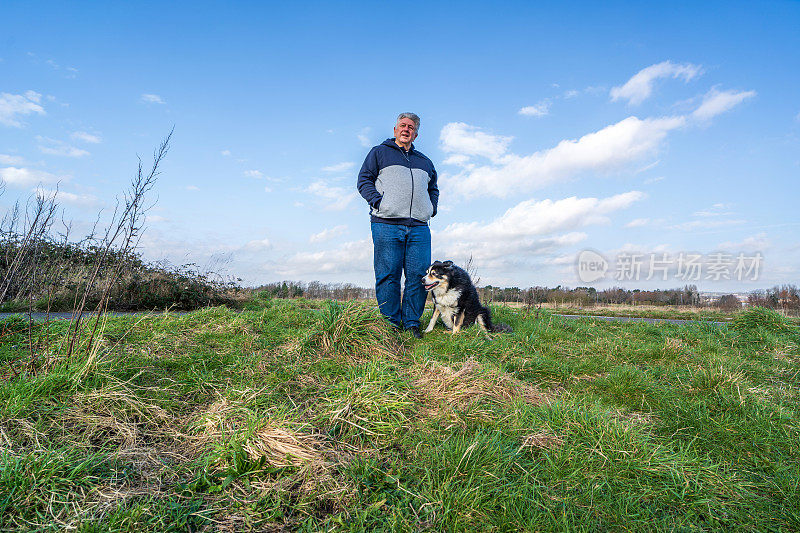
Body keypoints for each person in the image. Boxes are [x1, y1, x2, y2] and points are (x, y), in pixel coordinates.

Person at [357, 112, 439, 338]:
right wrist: (378, 201)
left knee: (418, 276)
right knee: (388, 275)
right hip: (386, 223)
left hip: (419, 227)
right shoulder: (379, 153)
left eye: (411, 127)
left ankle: (412, 323)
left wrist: (431, 208)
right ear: (395, 130)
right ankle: (391, 324)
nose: (406, 129)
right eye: (402, 125)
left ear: (416, 133)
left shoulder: (425, 162)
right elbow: (363, 179)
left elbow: (433, 189)